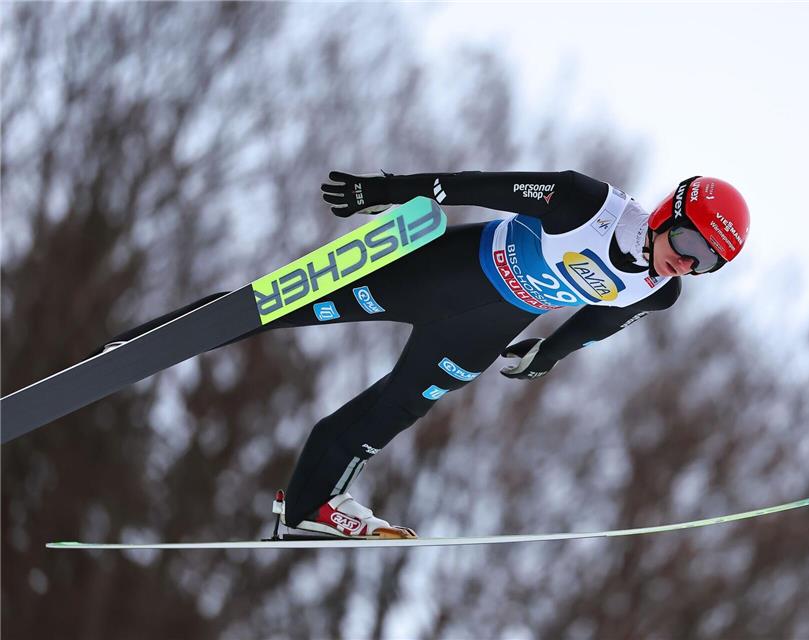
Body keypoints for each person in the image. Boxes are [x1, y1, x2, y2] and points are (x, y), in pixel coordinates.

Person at [103, 170, 750, 539]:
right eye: (690, 242)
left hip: (482, 329)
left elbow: (601, 322)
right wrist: (386, 192)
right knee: (277, 304)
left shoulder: (659, 292)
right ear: (672, 211)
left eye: (707, 263)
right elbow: (478, 185)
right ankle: (140, 345)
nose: (688, 262)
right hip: (441, 273)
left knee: (393, 411)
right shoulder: (586, 204)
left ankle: (309, 506)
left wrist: (547, 355)